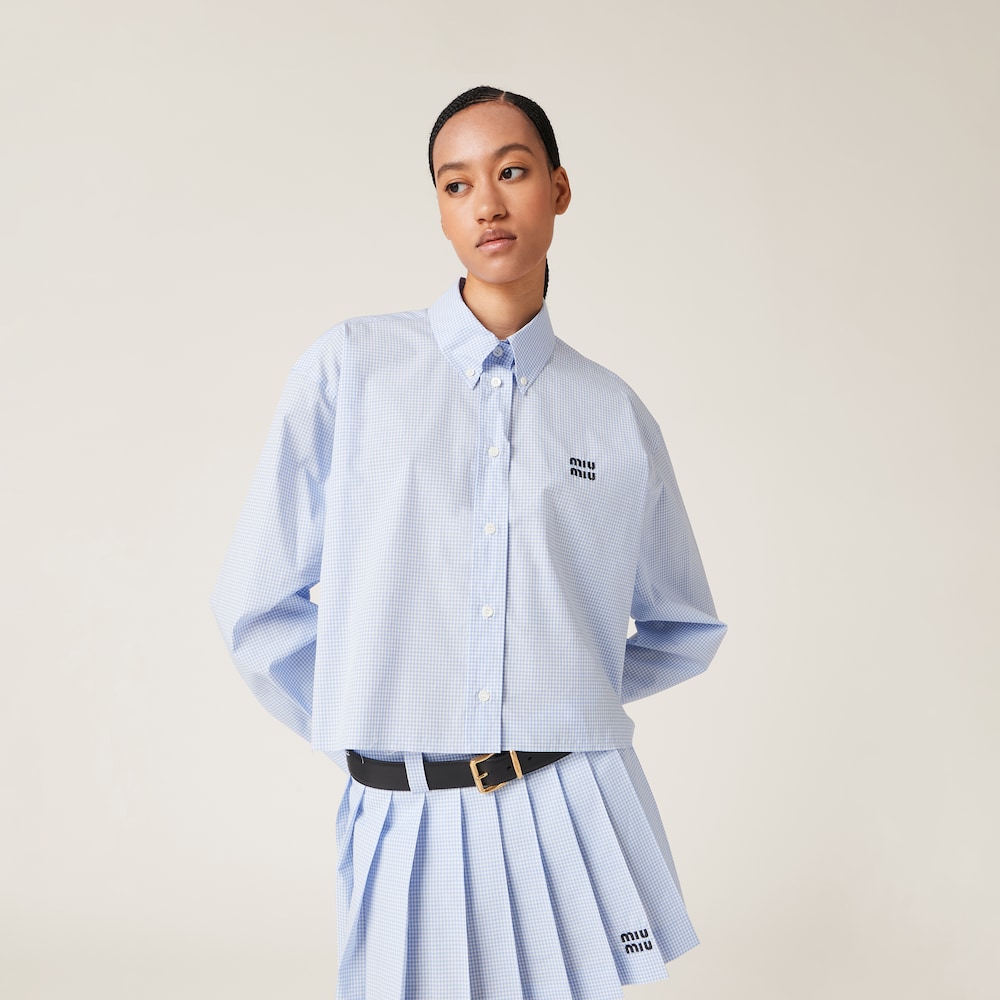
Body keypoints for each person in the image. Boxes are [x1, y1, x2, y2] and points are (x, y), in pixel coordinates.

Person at [211, 85, 727, 1000]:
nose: (486, 203)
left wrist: (555, 692)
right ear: (441, 210)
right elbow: (255, 605)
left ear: (558, 190)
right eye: (457, 185)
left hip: (572, 801)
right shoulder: (352, 367)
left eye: (512, 172)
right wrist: (365, 716)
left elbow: (683, 625)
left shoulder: (613, 415)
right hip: (403, 809)